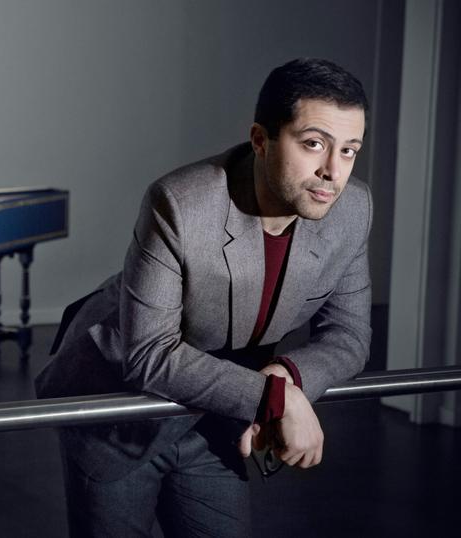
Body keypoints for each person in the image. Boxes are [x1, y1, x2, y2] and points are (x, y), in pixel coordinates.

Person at [35, 58, 372, 537]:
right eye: (313, 143)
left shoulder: (353, 209)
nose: (332, 172)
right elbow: (149, 354)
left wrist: (288, 377)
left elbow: (350, 333)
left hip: (218, 416)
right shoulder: (180, 202)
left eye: (350, 150)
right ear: (261, 140)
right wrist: (276, 398)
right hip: (121, 409)